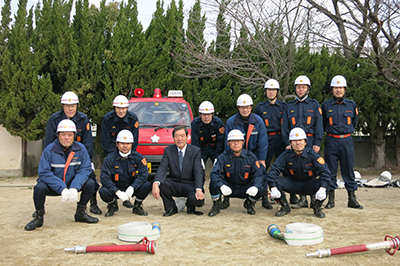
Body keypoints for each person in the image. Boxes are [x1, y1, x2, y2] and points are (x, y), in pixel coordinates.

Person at [25, 120, 99, 231]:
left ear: (74, 135)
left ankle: (80, 213)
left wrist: (74, 187)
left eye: (69, 134)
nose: (66, 137)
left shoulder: (81, 149)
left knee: (90, 183)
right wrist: (62, 188)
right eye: (63, 134)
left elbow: (85, 169)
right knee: (39, 188)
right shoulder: (49, 150)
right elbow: (44, 173)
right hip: (54, 186)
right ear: (58, 135)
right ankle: (39, 217)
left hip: (71, 184)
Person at [43, 91, 101, 215]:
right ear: (62, 106)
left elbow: (87, 142)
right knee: (42, 183)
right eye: (67, 106)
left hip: (79, 155)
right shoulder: (54, 119)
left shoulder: (83, 119)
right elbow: (49, 142)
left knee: (91, 179)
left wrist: (88, 161)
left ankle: (92, 204)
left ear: (77, 106)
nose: (70, 108)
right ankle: (39, 210)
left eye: (73, 105)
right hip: (58, 155)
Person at [268, 127, 331, 218]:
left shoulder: (312, 155)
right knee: (275, 181)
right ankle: (285, 207)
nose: (298, 143)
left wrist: (322, 188)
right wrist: (273, 187)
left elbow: (325, 172)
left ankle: (317, 208)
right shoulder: (286, 155)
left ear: (305, 142)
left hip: (309, 184)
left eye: (300, 140)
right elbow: (273, 170)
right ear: (290, 143)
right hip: (292, 184)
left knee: (326, 184)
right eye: (294, 140)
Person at [281, 75, 324, 208]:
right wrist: (287, 144)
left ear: (308, 89)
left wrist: (317, 143)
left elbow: (319, 126)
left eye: (303, 87)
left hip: (310, 141)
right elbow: (285, 128)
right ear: (295, 89)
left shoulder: (314, 105)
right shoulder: (289, 106)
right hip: (294, 143)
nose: (301, 90)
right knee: (297, 169)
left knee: (311, 169)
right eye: (299, 87)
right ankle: (302, 199)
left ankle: (313, 199)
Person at [322, 75, 363, 209]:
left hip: (346, 140)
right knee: (330, 170)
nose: (338, 90)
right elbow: (323, 124)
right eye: (335, 88)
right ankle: (331, 200)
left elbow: (354, 122)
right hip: (331, 140)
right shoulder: (326, 105)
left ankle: (352, 198)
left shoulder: (351, 105)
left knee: (348, 170)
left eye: (340, 87)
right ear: (332, 89)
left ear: (345, 89)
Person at [223, 94, 268, 209]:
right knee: (228, 173)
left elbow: (262, 142)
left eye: (247, 107)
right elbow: (227, 142)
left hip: (254, 155)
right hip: (235, 155)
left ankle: (261, 199)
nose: (245, 110)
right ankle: (225, 199)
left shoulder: (258, 121)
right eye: (242, 107)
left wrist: (261, 159)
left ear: (251, 107)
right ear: (238, 108)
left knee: (261, 173)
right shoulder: (231, 122)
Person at [208, 130, 264, 217]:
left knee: (261, 186)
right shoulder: (223, 157)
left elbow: (259, 174)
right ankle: (216, 206)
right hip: (229, 187)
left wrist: (255, 186)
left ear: (243, 142)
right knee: (213, 183)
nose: (236, 143)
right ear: (228, 143)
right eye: (233, 141)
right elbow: (214, 173)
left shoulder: (251, 157)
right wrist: (221, 185)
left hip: (245, 188)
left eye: (238, 141)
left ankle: (250, 203)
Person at [152, 125, 205, 216]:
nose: (179, 139)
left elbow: (198, 171)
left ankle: (190, 206)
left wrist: (199, 189)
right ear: (173, 138)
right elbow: (162, 168)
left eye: (182, 136)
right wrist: (155, 183)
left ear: (187, 137)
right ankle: (171, 208)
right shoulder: (168, 151)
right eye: (176, 136)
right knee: (162, 183)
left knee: (198, 200)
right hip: (175, 182)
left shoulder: (195, 151)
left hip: (189, 183)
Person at [99, 130, 151, 217]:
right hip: (115, 188)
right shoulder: (110, 158)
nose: (125, 146)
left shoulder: (138, 157)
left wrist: (133, 187)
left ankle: (137, 206)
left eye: (128, 143)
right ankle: (112, 205)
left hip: (131, 187)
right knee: (103, 191)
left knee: (146, 185)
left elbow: (143, 175)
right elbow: (104, 178)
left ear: (132, 144)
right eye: (122, 143)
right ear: (117, 144)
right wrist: (116, 191)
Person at [101, 95, 139, 208]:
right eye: (118, 108)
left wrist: (130, 155)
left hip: (127, 150)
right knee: (111, 177)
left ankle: (130, 199)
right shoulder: (107, 119)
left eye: (123, 108)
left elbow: (135, 140)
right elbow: (105, 140)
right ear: (114, 108)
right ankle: (112, 203)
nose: (121, 111)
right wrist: (111, 157)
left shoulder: (133, 119)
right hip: (112, 150)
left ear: (127, 108)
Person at [255, 79, 287, 210]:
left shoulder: (284, 106)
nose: (271, 92)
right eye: (269, 90)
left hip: (281, 139)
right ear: (265, 91)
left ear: (277, 92)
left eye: (273, 90)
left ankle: (289, 196)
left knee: (285, 167)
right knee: (263, 168)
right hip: (266, 139)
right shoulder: (260, 107)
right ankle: (264, 198)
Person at [191, 100, 225, 167]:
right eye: (204, 114)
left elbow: (221, 141)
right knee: (198, 168)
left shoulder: (218, 123)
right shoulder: (195, 124)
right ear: (200, 115)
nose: (206, 117)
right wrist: (198, 156)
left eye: (209, 114)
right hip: (201, 149)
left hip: (215, 148)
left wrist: (217, 156)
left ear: (212, 114)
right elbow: (195, 142)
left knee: (218, 168)